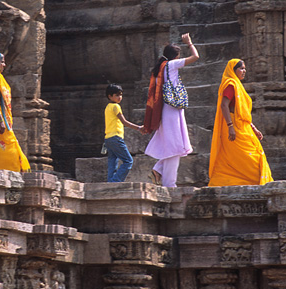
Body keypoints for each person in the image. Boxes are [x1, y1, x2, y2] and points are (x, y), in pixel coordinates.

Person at [144, 33, 200, 187]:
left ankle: (157, 170)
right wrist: (189, 43)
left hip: (165, 109)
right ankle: (169, 184)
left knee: (173, 145)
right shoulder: (171, 65)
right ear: (175, 56)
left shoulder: (159, 69)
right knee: (175, 147)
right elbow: (196, 56)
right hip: (172, 108)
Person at [208, 59, 274, 186]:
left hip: (244, 127)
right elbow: (224, 106)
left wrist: (254, 128)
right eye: (241, 69)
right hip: (234, 127)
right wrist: (230, 126)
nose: (244, 71)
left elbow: (242, 113)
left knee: (254, 155)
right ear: (233, 70)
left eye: (245, 69)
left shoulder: (238, 85)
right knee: (250, 159)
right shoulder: (230, 85)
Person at [103, 83, 144, 182]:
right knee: (128, 161)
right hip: (116, 137)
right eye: (117, 95)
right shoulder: (116, 107)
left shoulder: (107, 107)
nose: (119, 97)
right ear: (110, 96)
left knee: (113, 162)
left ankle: (110, 182)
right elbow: (124, 122)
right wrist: (139, 128)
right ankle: (115, 181)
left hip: (108, 139)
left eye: (121, 94)